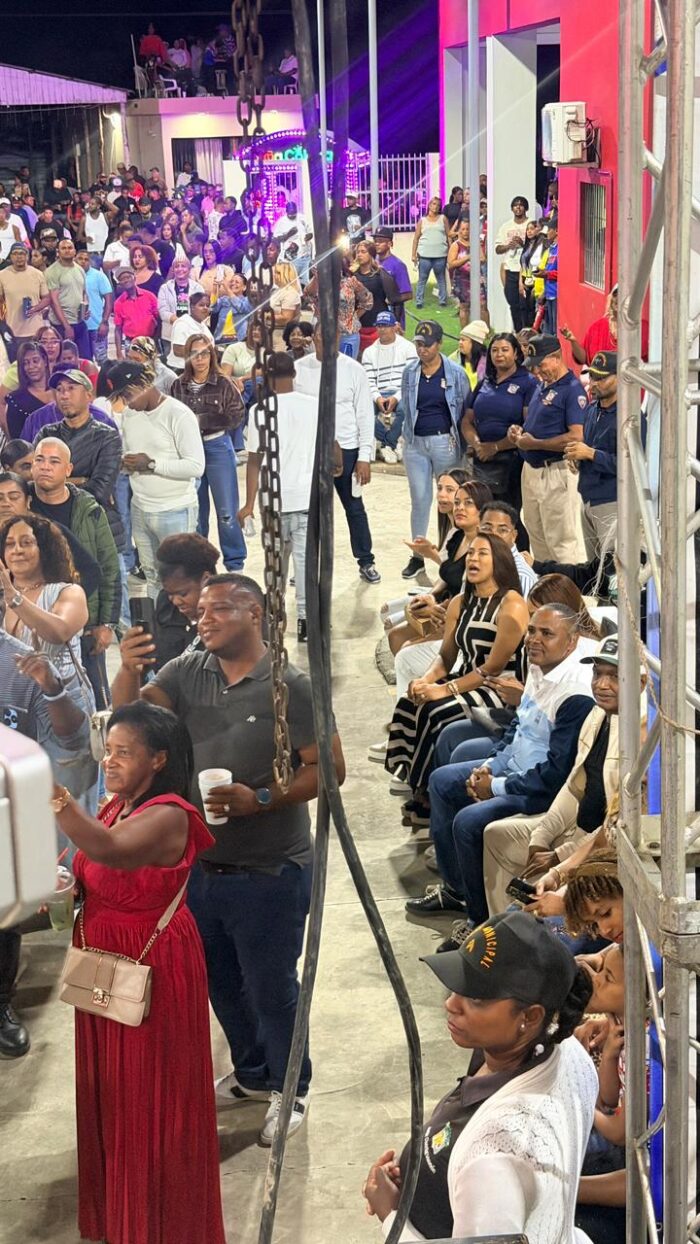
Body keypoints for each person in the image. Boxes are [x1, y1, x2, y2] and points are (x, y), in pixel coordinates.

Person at [111, 573, 346, 1146]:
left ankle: (291, 1088)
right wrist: (128, 670)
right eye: (201, 611)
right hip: (201, 867)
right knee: (220, 981)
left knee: (271, 988)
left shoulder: (289, 685)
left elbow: (329, 769)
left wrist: (259, 798)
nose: (204, 619)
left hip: (271, 869)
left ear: (255, 614)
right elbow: (132, 724)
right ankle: (253, 1072)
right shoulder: (188, 672)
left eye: (219, 609)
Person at [51, 701, 227, 1244]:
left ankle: (159, 1226)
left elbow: (110, 852)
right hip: (105, 966)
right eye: (108, 750)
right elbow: (90, 859)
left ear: (158, 759)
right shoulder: (116, 806)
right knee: (113, 1094)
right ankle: (120, 1216)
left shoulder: (171, 814)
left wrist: (54, 797)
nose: (110, 761)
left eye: (124, 752)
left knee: (150, 1097)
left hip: (151, 967)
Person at [363, 911, 597, 1243]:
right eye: (458, 985)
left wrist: (390, 1216)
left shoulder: (494, 1158)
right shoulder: (559, 1048)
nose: (450, 1003)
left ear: (530, 1017)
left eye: (476, 998)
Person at [413, 603, 595, 934]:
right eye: (532, 630)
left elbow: (555, 776)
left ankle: (478, 922)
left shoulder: (576, 695)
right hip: (513, 770)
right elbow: (516, 729)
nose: (534, 639)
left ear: (571, 642)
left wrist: (495, 787)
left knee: (469, 822)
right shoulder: (540, 666)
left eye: (547, 634)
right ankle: (458, 891)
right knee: (442, 781)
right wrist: (487, 767)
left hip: (539, 790)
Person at [482, 634, 626, 916]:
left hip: (601, 850)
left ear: (639, 683)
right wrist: (541, 836)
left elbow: (612, 833)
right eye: (598, 673)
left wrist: (560, 857)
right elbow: (574, 787)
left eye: (614, 676)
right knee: (496, 835)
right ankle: (499, 930)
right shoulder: (597, 715)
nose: (601, 684)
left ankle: (531, 932)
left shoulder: (640, 737)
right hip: (574, 828)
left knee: (542, 894)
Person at [385, 533, 529, 804]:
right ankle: (415, 781)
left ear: (499, 561)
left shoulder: (512, 604)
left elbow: (492, 667)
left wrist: (444, 690)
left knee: (436, 710)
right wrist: (426, 680)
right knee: (410, 700)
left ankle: (430, 794)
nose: (473, 559)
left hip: (498, 689)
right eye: (471, 553)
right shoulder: (460, 602)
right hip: (466, 678)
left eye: (482, 553)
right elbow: (446, 656)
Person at [0, 636, 87, 1058]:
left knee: (2, 911)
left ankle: (0, 1004)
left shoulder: (21, 666)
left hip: (4, 811)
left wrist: (52, 689)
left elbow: (72, 741)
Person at [30, 438, 120, 707]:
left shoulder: (89, 509)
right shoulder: (22, 503)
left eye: (54, 461)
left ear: (68, 469)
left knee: (97, 700)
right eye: (39, 460)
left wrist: (107, 623)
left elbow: (108, 566)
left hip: (86, 623)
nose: (45, 466)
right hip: (33, 622)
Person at [238, 352, 321, 643]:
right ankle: (306, 622)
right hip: (307, 499)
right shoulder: (314, 405)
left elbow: (253, 461)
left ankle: (274, 615)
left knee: (276, 565)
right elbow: (331, 450)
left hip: (273, 500)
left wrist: (248, 504)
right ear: (294, 374)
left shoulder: (259, 411)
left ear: (268, 378)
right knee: (305, 565)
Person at [106, 360, 205, 598]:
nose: (126, 403)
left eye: (128, 395)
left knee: (181, 580)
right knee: (152, 576)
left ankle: (185, 621)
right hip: (140, 508)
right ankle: (158, 622)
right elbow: (130, 452)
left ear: (144, 384)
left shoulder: (178, 414)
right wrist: (125, 464)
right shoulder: (130, 415)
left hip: (175, 509)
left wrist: (151, 464)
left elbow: (196, 466)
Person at [295, 323, 381, 583]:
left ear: (340, 336)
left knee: (354, 508)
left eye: (333, 334)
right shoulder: (300, 369)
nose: (327, 339)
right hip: (311, 450)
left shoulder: (354, 370)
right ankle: (306, 563)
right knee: (309, 511)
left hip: (348, 449)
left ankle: (366, 561)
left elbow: (365, 415)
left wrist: (364, 456)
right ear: (314, 337)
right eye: (322, 335)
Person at [400, 320, 469, 579]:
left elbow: (464, 411)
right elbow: (407, 406)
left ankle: (453, 551)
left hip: (444, 442)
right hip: (416, 443)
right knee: (420, 499)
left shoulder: (455, 374)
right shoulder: (410, 372)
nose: (422, 350)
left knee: (450, 499)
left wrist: (463, 446)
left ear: (439, 344)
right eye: (418, 344)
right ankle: (418, 556)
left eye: (427, 345)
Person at [171, 335, 246, 570]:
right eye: (195, 353)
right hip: (189, 450)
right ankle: (201, 564)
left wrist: (202, 420)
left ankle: (235, 563)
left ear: (212, 355)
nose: (200, 359)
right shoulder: (178, 385)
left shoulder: (223, 384)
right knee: (196, 511)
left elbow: (236, 415)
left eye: (204, 353)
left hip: (217, 446)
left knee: (227, 510)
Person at [510, 333, 587, 562]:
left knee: (561, 543)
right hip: (531, 471)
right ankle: (546, 584)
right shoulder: (542, 385)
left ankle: (565, 585)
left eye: (540, 364)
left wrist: (535, 444)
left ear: (556, 358)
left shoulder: (572, 390)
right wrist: (519, 432)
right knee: (537, 537)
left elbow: (577, 436)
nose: (536, 370)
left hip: (555, 471)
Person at [33, 369, 124, 553]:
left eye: (71, 388)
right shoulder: (47, 434)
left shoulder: (107, 436)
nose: (64, 395)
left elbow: (98, 491)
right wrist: (79, 480)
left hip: (97, 529)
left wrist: (53, 483)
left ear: (88, 395)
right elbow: (34, 481)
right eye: (59, 390)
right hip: (53, 531)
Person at [462, 331, 537, 510]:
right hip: (481, 458)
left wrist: (496, 447)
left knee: (506, 514)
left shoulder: (528, 382)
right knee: (481, 512)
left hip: (511, 460)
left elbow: (529, 425)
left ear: (516, 353)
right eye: (494, 350)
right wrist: (478, 445)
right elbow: (467, 420)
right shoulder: (484, 383)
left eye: (505, 350)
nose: (499, 354)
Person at [565, 351, 619, 558]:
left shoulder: (629, 415)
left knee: (613, 568)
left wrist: (591, 454)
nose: (594, 383)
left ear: (620, 378)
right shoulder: (591, 410)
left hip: (612, 501)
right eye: (593, 377)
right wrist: (578, 458)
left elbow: (631, 465)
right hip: (587, 498)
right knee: (593, 568)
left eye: (601, 378)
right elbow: (587, 448)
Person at [362, 310, 417, 464]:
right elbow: (369, 381)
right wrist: (377, 398)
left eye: (386, 326)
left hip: (401, 391)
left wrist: (396, 397)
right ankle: (388, 442)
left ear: (394, 327)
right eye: (379, 326)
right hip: (378, 392)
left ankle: (388, 444)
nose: (382, 329)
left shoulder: (408, 347)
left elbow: (410, 380)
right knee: (363, 411)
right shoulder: (369, 352)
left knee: (406, 408)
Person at [305, 254, 372, 359]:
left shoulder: (350, 282)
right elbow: (308, 296)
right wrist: (317, 277)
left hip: (348, 335)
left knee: (346, 366)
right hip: (324, 335)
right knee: (323, 365)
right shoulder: (318, 282)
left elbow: (367, 300)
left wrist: (354, 317)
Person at [352, 240, 402, 355]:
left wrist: (396, 321)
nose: (359, 254)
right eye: (358, 252)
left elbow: (395, 300)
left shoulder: (381, 274)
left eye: (363, 252)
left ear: (371, 254)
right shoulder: (353, 277)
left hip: (379, 326)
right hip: (358, 326)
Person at [479, 501, 537, 598]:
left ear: (514, 536)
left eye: (502, 530)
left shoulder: (521, 576)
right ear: (478, 531)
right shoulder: (475, 563)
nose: (494, 535)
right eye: (487, 529)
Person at [46, 238, 90, 357]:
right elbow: (53, 301)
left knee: (85, 358)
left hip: (79, 322)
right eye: (63, 248)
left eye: (70, 248)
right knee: (64, 360)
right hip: (61, 325)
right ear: (58, 252)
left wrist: (86, 308)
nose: (67, 250)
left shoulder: (80, 269)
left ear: (74, 251)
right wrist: (66, 326)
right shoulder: (52, 271)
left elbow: (84, 292)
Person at [0, 242, 49, 345]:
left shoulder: (38, 274)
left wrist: (36, 308)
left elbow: (47, 298)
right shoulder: (2, 275)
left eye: (22, 253)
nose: (19, 256)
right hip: (12, 331)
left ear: (27, 256)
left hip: (36, 330)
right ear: (11, 256)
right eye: (15, 253)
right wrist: (3, 324)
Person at [1, 341, 53, 439]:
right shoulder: (15, 401)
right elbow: (18, 441)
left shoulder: (60, 392)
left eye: (35, 361)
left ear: (45, 361)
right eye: (26, 363)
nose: (31, 367)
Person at [495, 195, 529, 333]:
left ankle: (527, 332)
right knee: (513, 303)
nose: (518, 207)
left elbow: (537, 245)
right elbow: (497, 249)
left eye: (521, 205)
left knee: (525, 304)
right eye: (515, 205)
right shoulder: (506, 227)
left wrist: (523, 243)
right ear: (512, 208)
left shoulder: (530, 224)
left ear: (525, 208)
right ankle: (518, 331)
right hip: (510, 269)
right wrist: (508, 246)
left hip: (526, 270)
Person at [75, 250, 113, 364]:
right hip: (78, 326)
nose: (83, 262)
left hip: (96, 326)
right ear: (75, 260)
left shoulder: (99, 276)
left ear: (90, 262)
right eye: (80, 259)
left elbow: (109, 300)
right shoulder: (70, 276)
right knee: (84, 363)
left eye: (86, 259)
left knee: (103, 362)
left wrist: (104, 322)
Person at [112, 266, 159, 358]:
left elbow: (158, 319)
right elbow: (118, 329)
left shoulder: (150, 296)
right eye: (122, 279)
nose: (126, 280)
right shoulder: (118, 303)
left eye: (128, 277)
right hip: (131, 342)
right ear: (119, 284)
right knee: (133, 366)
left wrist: (157, 339)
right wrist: (119, 351)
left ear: (134, 278)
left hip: (150, 340)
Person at [412, 195, 450, 308]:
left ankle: (442, 300)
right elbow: (416, 238)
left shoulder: (443, 218)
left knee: (441, 279)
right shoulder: (422, 221)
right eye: (434, 204)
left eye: (438, 205)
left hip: (440, 255)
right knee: (422, 279)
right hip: (425, 255)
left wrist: (451, 250)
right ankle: (419, 301)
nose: (436, 207)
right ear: (429, 205)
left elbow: (448, 235)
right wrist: (413, 254)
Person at [448, 218, 488, 325]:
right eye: (463, 229)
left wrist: (478, 259)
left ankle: (486, 331)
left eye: (467, 229)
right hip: (462, 279)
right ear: (459, 231)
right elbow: (451, 264)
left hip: (476, 278)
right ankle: (465, 331)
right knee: (464, 307)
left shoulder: (475, 244)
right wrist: (467, 257)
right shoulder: (456, 245)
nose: (465, 232)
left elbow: (483, 259)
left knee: (483, 305)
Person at [373, 226, 412, 329]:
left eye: (380, 241)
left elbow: (408, 294)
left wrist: (392, 298)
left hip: (394, 316)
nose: (376, 244)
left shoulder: (398, 265)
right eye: (375, 241)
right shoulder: (372, 262)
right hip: (375, 315)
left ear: (390, 243)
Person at [167, 290, 214, 372]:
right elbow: (177, 350)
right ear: (192, 307)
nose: (205, 308)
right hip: (181, 369)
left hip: (198, 369)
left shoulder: (203, 325)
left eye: (207, 305)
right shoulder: (183, 323)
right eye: (201, 305)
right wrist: (203, 353)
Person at [272, 201, 313, 285]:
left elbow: (311, 233)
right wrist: (288, 234)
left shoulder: (302, 218)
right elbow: (276, 239)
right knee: (291, 281)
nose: (293, 215)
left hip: (304, 256)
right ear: (286, 211)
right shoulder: (281, 222)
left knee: (305, 282)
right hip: (290, 258)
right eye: (290, 213)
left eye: (294, 213)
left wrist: (307, 237)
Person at [520, 220, 547, 327]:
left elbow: (540, 265)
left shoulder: (542, 245)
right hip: (525, 280)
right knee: (524, 309)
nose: (529, 231)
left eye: (532, 228)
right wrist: (520, 282)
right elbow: (522, 265)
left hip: (535, 281)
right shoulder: (527, 245)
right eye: (527, 229)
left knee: (534, 311)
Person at [451, 318, 489, 390]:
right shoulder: (454, 358)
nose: (460, 342)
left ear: (475, 343)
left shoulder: (487, 361)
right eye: (460, 339)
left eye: (463, 340)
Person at [535, 216, 559, 334]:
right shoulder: (552, 249)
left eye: (549, 230)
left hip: (556, 294)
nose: (547, 233)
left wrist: (546, 274)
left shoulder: (561, 249)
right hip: (548, 293)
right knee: (548, 330)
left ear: (557, 230)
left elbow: (563, 273)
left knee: (555, 329)